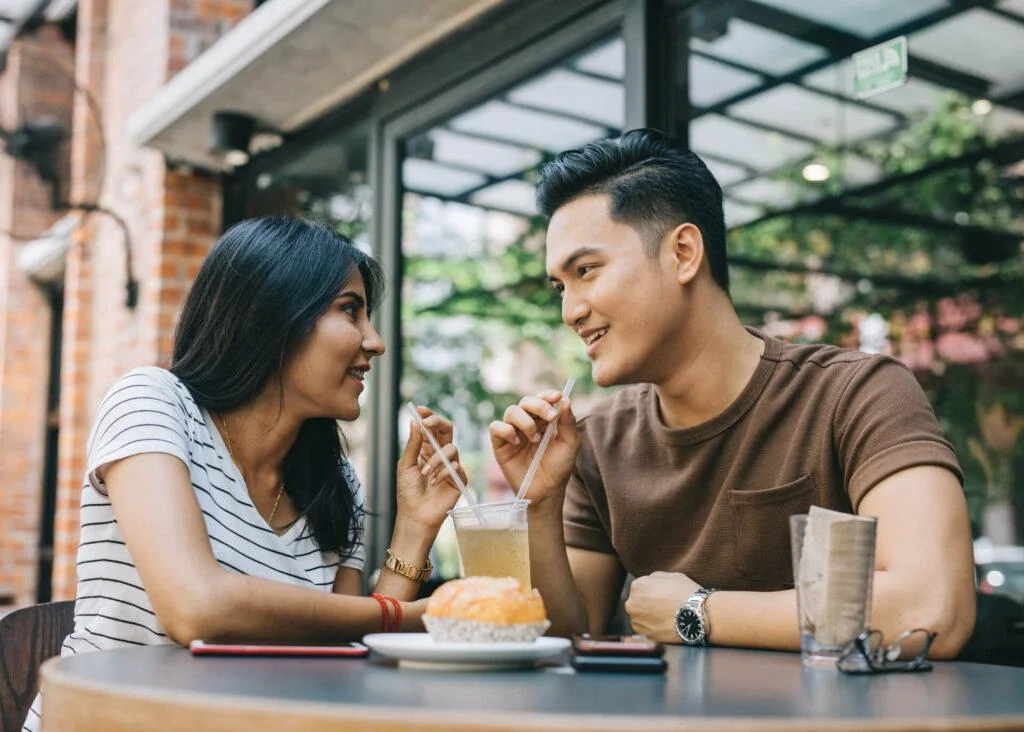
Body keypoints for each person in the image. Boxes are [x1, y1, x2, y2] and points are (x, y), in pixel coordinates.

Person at [488, 129, 976, 659]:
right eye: (561, 287)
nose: (570, 311)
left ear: (682, 253)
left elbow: (934, 609)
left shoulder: (854, 394)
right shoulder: (596, 444)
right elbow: (567, 636)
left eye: (586, 271)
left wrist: (697, 610)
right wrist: (537, 506)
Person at [24, 216, 464, 731]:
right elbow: (196, 608)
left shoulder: (334, 483)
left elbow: (343, 657)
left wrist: (414, 526)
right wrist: (406, 621)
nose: (374, 342)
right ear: (274, 316)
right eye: (351, 311)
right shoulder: (153, 403)